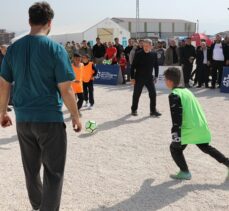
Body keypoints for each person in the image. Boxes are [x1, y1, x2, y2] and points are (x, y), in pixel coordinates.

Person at [0, 2, 82, 211]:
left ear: (29, 21)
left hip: (24, 119)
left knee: (31, 168)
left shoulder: (13, 48)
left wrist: (2, 112)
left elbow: (4, 84)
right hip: (50, 120)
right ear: (50, 23)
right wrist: (75, 115)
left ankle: (37, 204)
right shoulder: (56, 49)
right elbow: (66, 89)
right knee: (54, 171)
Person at [164, 67, 229, 180]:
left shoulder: (174, 95)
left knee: (174, 148)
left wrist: (176, 137)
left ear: (169, 81)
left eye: (165, 80)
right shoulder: (186, 91)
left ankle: (185, 172)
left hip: (188, 129)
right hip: (199, 126)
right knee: (206, 147)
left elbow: (176, 119)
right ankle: (227, 163)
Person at [130, 39, 161, 117]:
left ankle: (153, 111)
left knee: (153, 94)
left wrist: (156, 76)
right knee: (136, 94)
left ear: (151, 46)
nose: (145, 47)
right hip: (139, 78)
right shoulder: (138, 54)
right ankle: (134, 109)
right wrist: (132, 78)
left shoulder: (154, 54)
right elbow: (133, 66)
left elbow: (156, 66)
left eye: (147, 46)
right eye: (144, 46)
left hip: (149, 78)